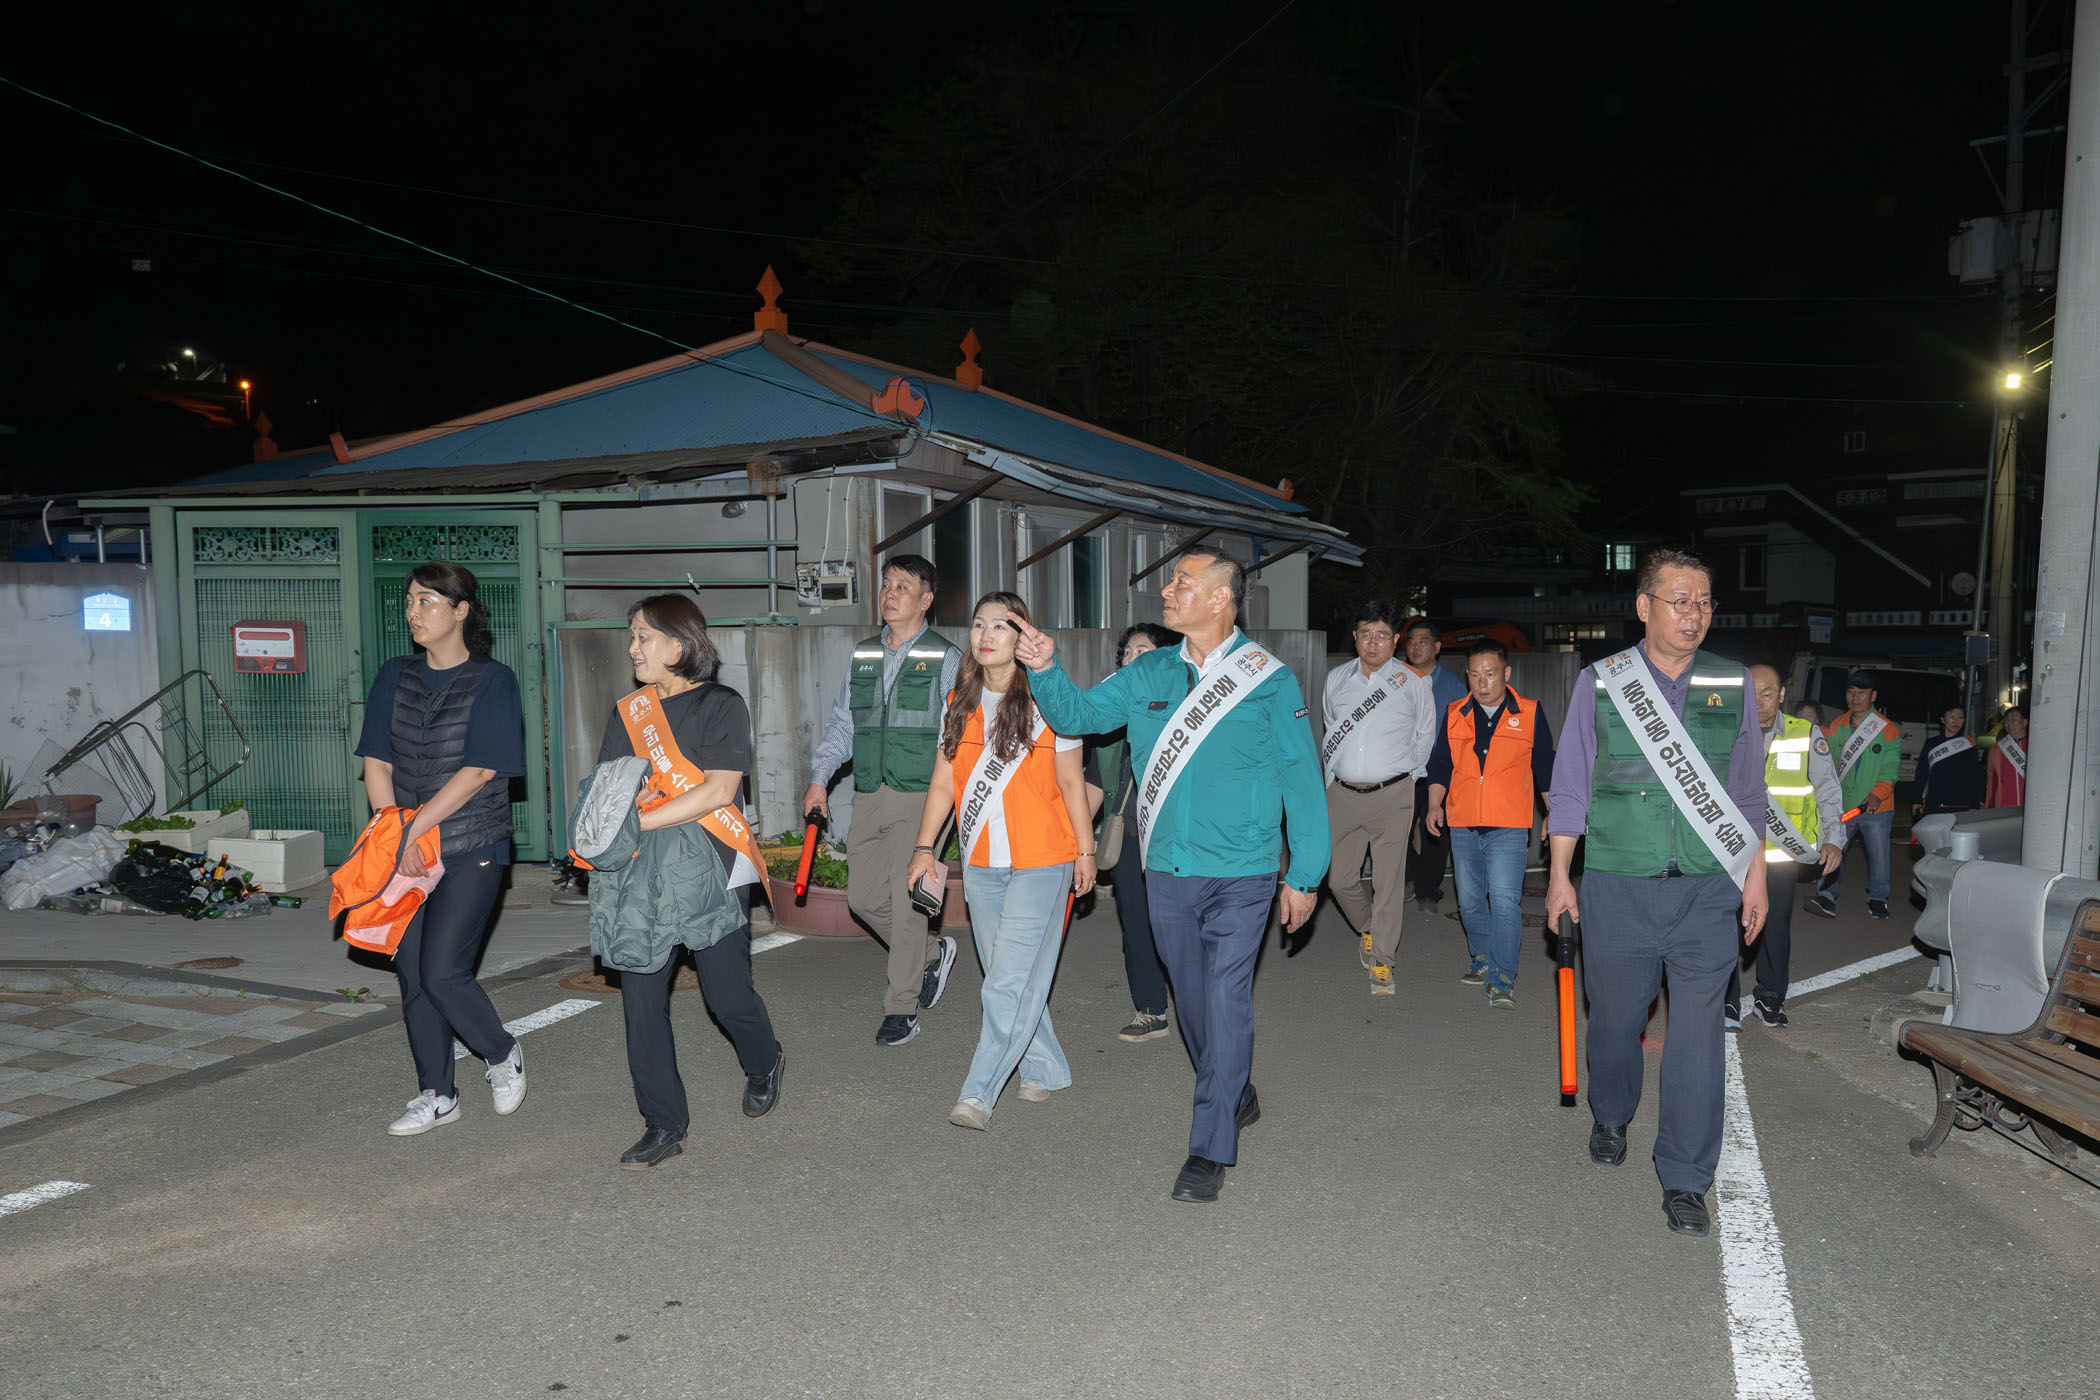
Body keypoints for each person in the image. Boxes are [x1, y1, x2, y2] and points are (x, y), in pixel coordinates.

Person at [1010, 550, 1329, 1204]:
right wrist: (1044, 669)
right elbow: (1078, 717)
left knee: (1227, 996)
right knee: (1192, 998)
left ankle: (1209, 1147)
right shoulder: (1150, 670)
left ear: (1220, 598)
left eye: (1183, 581)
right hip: (1167, 870)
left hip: (1243, 871)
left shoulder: (1268, 680)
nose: (1167, 589)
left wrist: (1305, 874)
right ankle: (1233, 1087)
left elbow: (1301, 778)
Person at [1545, 548, 1768, 1238]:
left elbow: (1748, 792)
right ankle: (1612, 1112)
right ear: (1644, 607)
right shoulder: (1602, 682)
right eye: (1680, 600)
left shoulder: (1732, 682)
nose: (1694, 614)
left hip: (1706, 891)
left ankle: (1686, 1178)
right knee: (1615, 1020)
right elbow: (1572, 784)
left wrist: (1755, 876)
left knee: (1698, 1037)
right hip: (1618, 886)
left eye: (1704, 602)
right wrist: (1560, 876)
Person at [593, 594, 783, 1169]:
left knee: (726, 997)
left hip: (711, 869)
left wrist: (639, 820)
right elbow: (610, 789)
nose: (633, 647)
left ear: (678, 645)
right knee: (641, 1001)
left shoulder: (721, 704)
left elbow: (719, 791)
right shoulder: (629, 713)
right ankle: (663, 1124)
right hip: (643, 874)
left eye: (643, 636)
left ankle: (764, 1060)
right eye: (632, 636)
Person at [904, 593, 1095, 1129]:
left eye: (1000, 626)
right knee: (1012, 975)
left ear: (1022, 636)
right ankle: (1045, 1065)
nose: (985, 635)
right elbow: (943, 784)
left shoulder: (1049, 698)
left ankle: (979, 1093)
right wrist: (924, 849)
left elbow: (1072, 783)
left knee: (1005, 981)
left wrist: (1086, 851)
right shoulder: (958, 700)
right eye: (978, 625)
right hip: (981, 860)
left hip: (1044, 858)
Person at [355, 562, 528, 1138]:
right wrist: (392, 831)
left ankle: (500, 1052)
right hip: (405, 843)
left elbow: (479, 770)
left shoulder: (493, 680)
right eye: (409, 601)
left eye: (426, 601)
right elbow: (377, 761)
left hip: (470, 844)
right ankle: (438, 1094)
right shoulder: (394, 675)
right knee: (412, 973)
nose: (413, 612)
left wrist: (413, 831)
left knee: (443, 972)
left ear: (460, 611)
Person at [804, 555, 964, 1047]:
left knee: (907, 899)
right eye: (887, 585)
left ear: (926, 600)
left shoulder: (947, 658)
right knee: (863, 899)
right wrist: (819, 779)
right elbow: (843, 725)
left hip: (924, 794)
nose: (890, 593)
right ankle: (932, 955)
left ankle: (901, 1008)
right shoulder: (864, 656)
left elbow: (957, 735)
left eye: (903, 586)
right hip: (870, 790)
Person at [1423, 638, 1555, 1008]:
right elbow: (1441, 764)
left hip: (1508, 826)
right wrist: (1434, 805)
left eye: (1491, 674)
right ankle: (1482, 955)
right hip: (1462, 823)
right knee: (1468, 901)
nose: (1483, 682)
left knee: (1504, 900)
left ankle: (1502, 976)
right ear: (1467, 675)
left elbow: (1545, 767)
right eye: (1475, 674)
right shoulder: (1455, 712)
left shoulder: (1529, 712)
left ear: (1506, 673)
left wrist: (1553, 814)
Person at [1322, 598, 1438, 996]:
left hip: (1393, 796)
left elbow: (1425, 737)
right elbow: (1330, 731)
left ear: (1395, 640)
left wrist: (1406, 780)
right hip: (1342, 795)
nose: (1373, 642)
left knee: (1388, 883)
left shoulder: (1413, 683)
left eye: (1383, 635)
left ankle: (1383, 960)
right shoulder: (1336, 679)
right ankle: (1369, 927)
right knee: (1339, 880)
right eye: (1366, 634)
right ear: (1355, 637)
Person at [1724, 665, 1843, 1031]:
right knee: (1724, 924)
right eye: (1752, 693)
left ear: (1780, 695)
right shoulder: (1725, 731)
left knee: (1774, 925)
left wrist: (1833, 838)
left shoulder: (1805, 734)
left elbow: (1828, 790)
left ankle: (1770, 997)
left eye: (1766, 693)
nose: (1759, 701)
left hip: (1780, 854)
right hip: (1731, 850)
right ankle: (1726, 1001)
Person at [1093, 622, 1183, 1041]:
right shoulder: (1113, 716)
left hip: (1179, 834)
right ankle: (1150, 1008)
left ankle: (1199, 1001)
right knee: (1136, 921)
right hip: (1130, 833)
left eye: (1141, 651)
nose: (1131, 659)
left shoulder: (1186, 706)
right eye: (1126, 653)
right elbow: (1094, 781)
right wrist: (1080, 845)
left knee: (1181, 923)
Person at [1806, 669, 1900, 921]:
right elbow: (1829, 763)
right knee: (1834, 847)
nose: (1855, 698)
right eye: (1850, 692)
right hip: (1844, 805)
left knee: (1879, 856)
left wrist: (1878, 793)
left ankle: (1878, 898)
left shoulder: (1888, 729)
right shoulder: (1838, 725)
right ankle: (1826, 895)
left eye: (1861, 693)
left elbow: (1890, 769)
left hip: (1876, 808)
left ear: (1873, 696)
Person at [1399, 618, 1467, 912]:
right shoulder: (1395, 681)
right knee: (1393, 831)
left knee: (1436, 833)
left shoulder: (1453, 687)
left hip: (1438, 772)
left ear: (1437, 647)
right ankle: (1414, 873)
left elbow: (1464, 733)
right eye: (1411, 641)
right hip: (1400, 771)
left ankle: (1427, 890)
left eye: (1423, 641)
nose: (1415, 647)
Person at [1914, 704, 1985, 819]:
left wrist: (1978, 801)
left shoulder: (1968, 744)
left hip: (1963, 804)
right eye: (1952, 717)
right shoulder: (1931, 744)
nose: (1956, 722)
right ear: (1942, 719)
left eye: (1960, 718)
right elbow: (1922, 773)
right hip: (1936, 803)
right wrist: (1916, 800)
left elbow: (1975, 774)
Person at [1986, 703, 2028, 809]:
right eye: (2006, 721)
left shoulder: (2033, 746)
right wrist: (1990, 806)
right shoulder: (1997, 748)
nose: (2009, 724)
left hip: (2029, 805)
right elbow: (1992, 781)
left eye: (2013, 720)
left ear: (2024, 722)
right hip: (2004, 805)